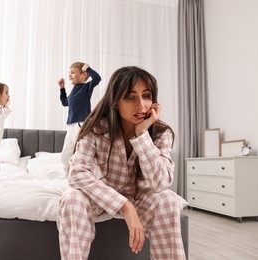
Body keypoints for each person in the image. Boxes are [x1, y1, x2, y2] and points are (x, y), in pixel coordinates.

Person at [57, 66, 186, 260]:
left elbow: (160, 183)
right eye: (131, 97)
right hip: (101, 195)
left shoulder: (160, 133)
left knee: (168, 200)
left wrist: (142, 134)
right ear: (116, 100)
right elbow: (77, 173)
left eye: (146, 96)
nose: (141, 105)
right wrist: (124, 206)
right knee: (72, 199)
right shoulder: (96, 128)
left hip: (141, 197)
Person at [58, 62, 101, 174]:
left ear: (83, 75)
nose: (70, 75)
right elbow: (65, 102)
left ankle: (84, 174)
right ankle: (66, 176)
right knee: (65, 155)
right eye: (69, 73)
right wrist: (62, 88)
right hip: (70, 126)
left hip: (81, 124)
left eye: (73, 72)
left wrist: (87, 68)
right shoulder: (73, 91)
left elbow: (97, 78)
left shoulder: (86, 88)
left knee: (81, 152)